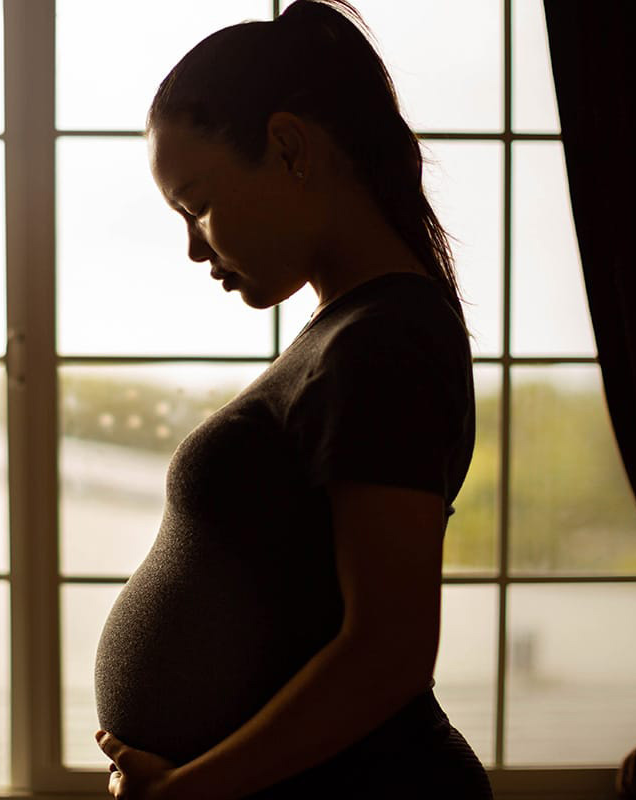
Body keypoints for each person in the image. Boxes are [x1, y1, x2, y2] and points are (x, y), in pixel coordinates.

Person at [91, 2, 493, 798]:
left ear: (287, 146)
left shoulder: (387, 342)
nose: (193, 247)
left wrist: (188, 792)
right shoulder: (350, 329)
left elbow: (389, 652)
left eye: (197, 203)